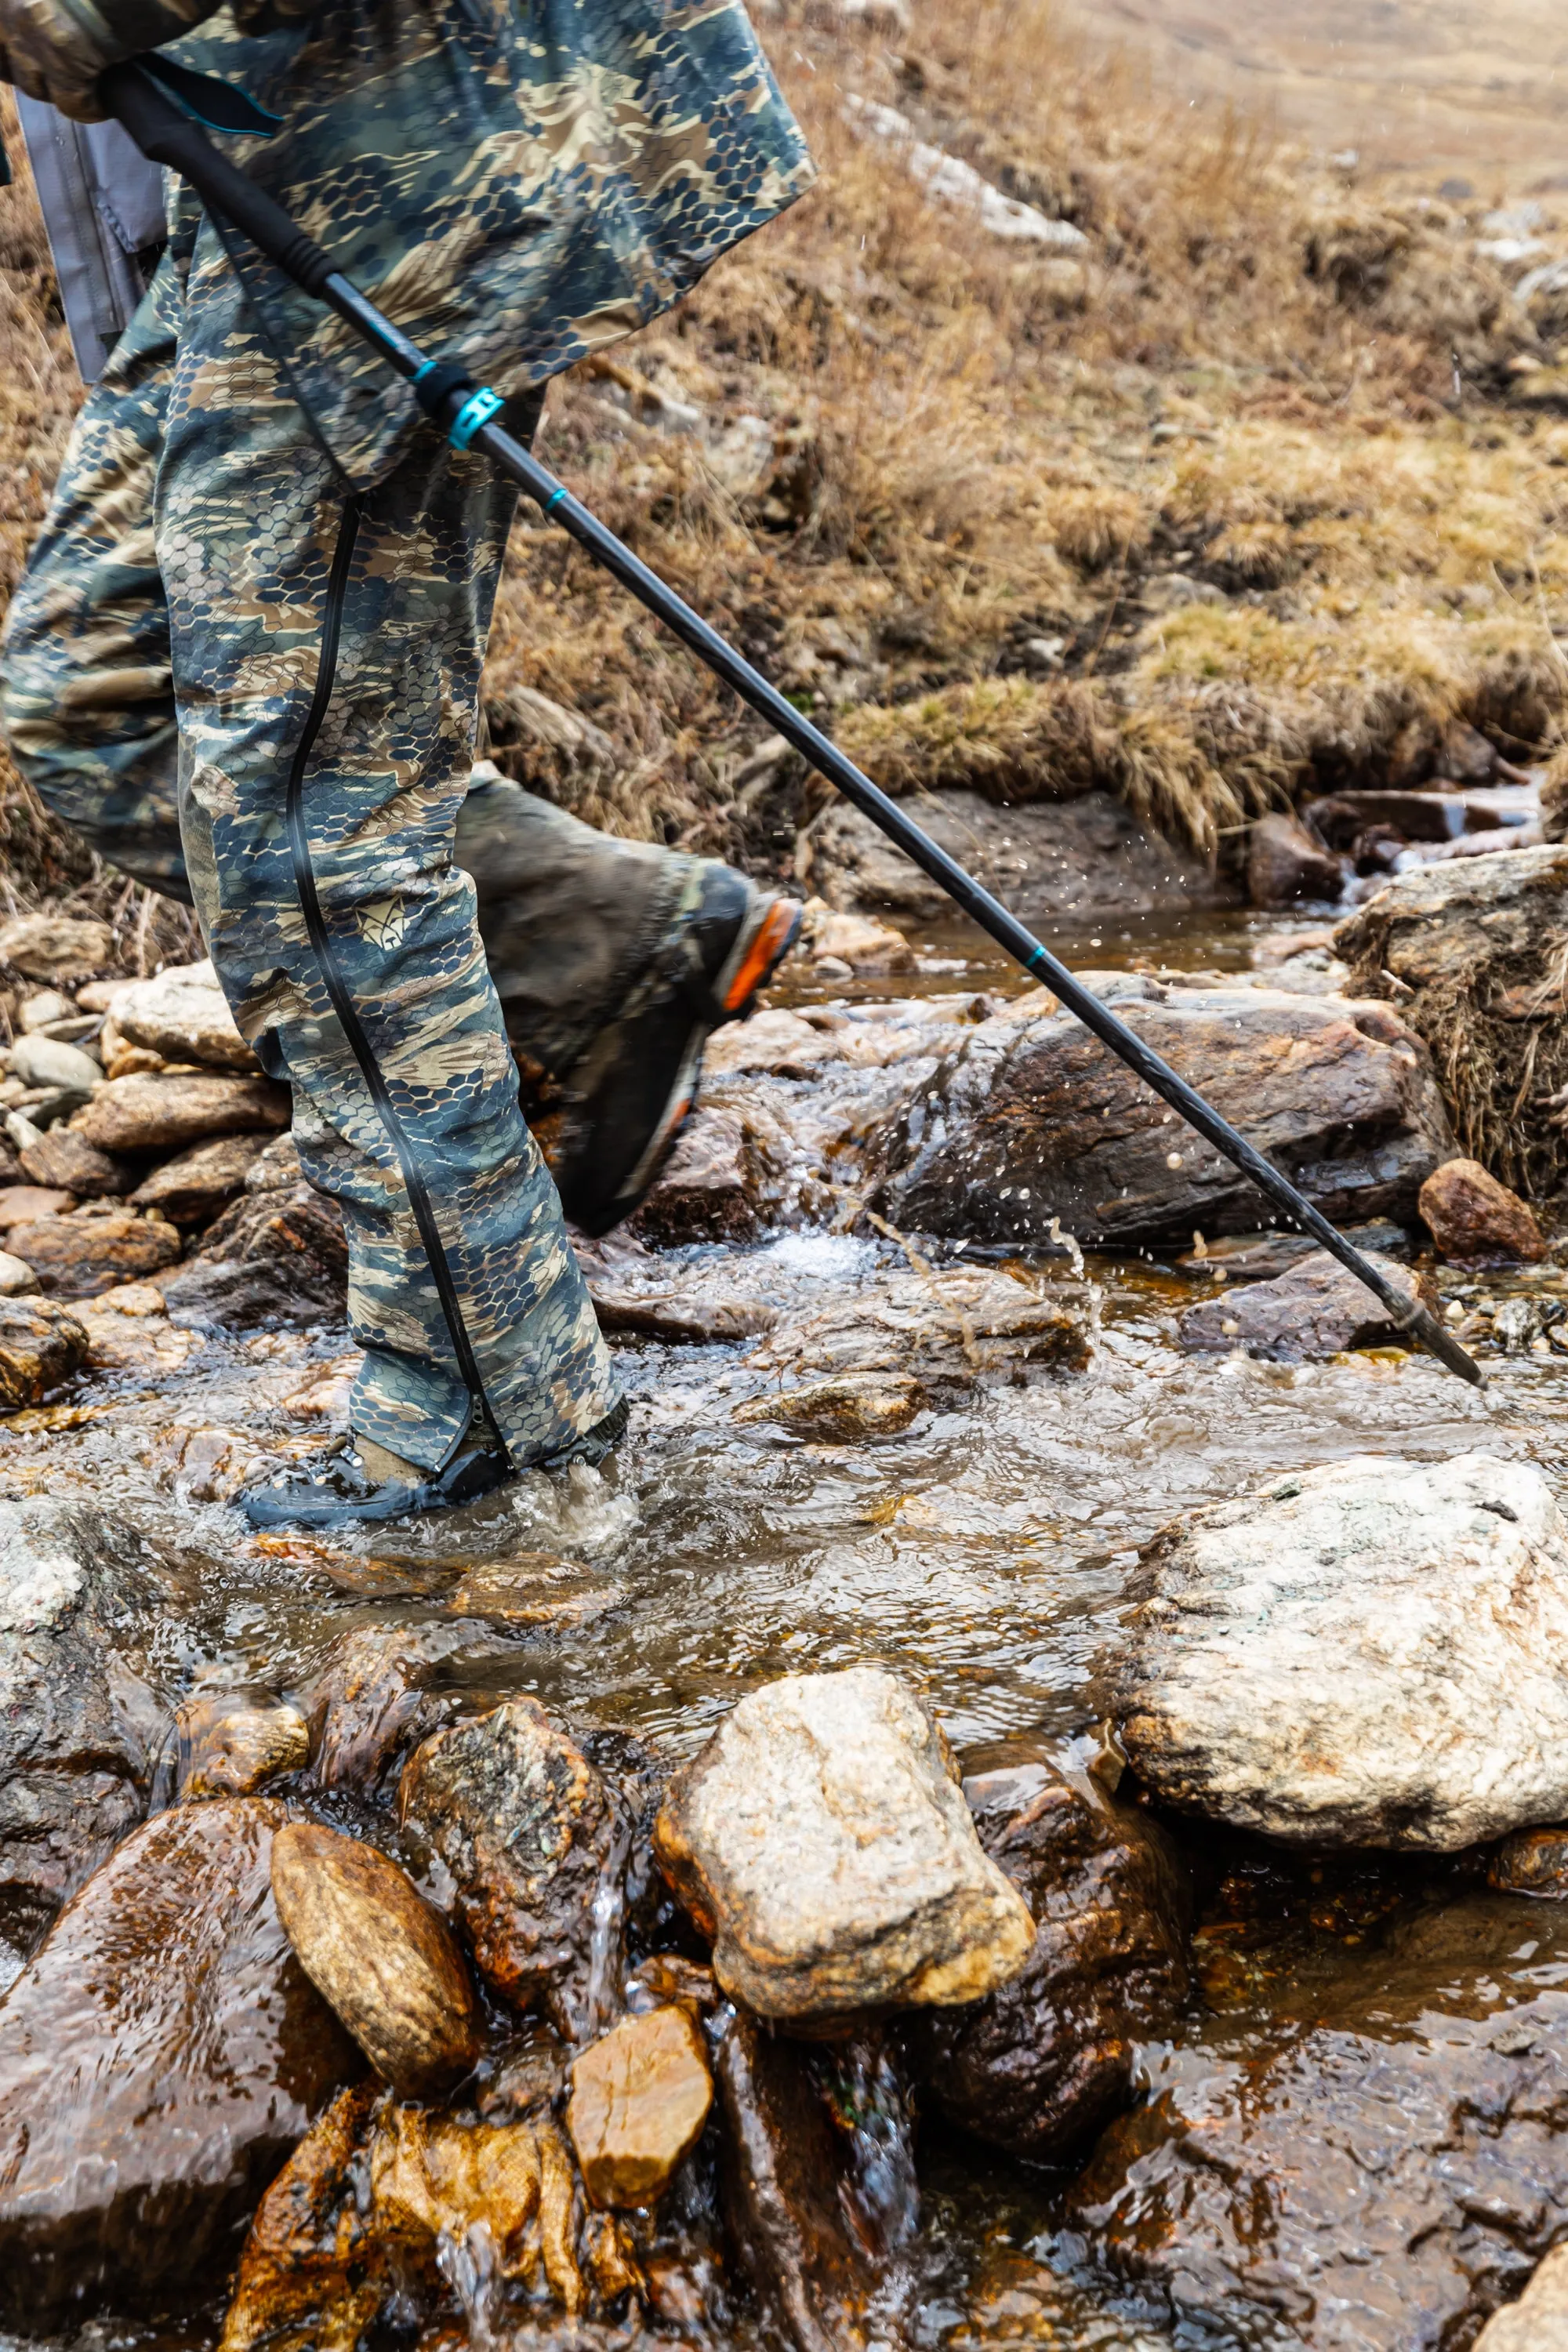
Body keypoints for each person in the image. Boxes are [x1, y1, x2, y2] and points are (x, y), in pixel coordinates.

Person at [0, 0, 815, 1527]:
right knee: (97, 691)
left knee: (314, 838)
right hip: (257, 176)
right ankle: (609, 940)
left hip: (400, 167)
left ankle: (490, 1406)